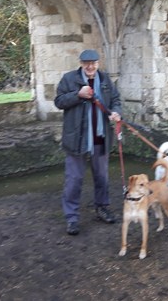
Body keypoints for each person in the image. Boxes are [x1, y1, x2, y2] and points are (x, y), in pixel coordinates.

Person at [54, 49, 122, 235]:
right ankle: (72, 218)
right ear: (81, 63)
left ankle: (102, 208)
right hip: (77, 139)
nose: (90, 66)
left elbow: (116, 100)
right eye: (86, 63)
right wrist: (78, 94)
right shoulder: (69, 79)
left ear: (98, 63)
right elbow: (59, 101)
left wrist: (116, 112)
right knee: (74, 180)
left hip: (100, 137)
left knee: (102, 177)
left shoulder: (106, 80)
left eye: (93, 63)